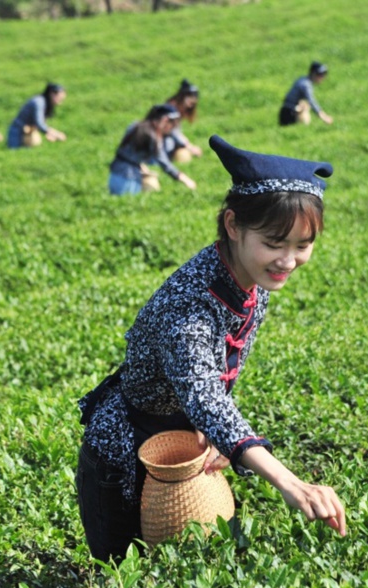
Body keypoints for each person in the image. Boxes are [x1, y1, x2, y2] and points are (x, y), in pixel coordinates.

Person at [76, 134, 347, 561]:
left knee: (196, 565)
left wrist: (214, 435)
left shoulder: (251, 277)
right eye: (274, 244)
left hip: (188, 438)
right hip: (125, 451)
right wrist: (291, 484)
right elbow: (203, 392)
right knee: (124, 573)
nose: (287, 261)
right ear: (233, 225)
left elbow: (216, 379)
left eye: (302, 245)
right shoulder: (190, 305)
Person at [108, 104, 197, 195]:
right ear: (165, 120)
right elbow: (164, 163)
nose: (172, 128)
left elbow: (128, 152)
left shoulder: (135, 125)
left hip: (115, 173)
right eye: (172, 124)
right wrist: (184, 179)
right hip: (128, 177)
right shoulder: (153, 137)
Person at [7, 83, 67, 149]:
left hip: (29, 132)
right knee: (15, 153)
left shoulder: (46, 103)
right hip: (18, 132)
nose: (60, 103)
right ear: (52, 94)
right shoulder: (38, 102)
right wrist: (55, 133)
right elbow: (39, 123)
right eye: (59, 99)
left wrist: (49, 134)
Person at [279, 61, 333, 126]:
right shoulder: (305, 85)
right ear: (313, 73)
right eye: (320, 75)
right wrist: (324, 117)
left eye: (323, 75)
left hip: (288, 111)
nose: (322, 77)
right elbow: (312, 101)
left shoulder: (303, 80)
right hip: (290, 114)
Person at [164, 79, 204, 162]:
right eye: (190, 103)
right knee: (170, 143)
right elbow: (174, 133)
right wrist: (190, 147)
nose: (189, 108)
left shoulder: (176, 110)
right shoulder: (170, 110)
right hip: (158, 147)